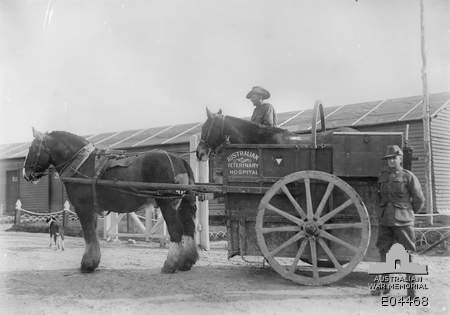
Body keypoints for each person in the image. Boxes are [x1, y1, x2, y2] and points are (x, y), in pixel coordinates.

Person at [372, 145, 425, 297]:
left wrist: (409, 213)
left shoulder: (408, 176)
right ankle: (384, 287)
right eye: (388, 159)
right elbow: (378, 198)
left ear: (400, 159)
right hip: (386, 221)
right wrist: (380, 212)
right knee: (383, 253)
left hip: (403, 222)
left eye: (394, 158)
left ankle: (411, 291)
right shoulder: (382, 177)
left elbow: (419, 199)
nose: (391, 161)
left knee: (407, 255)